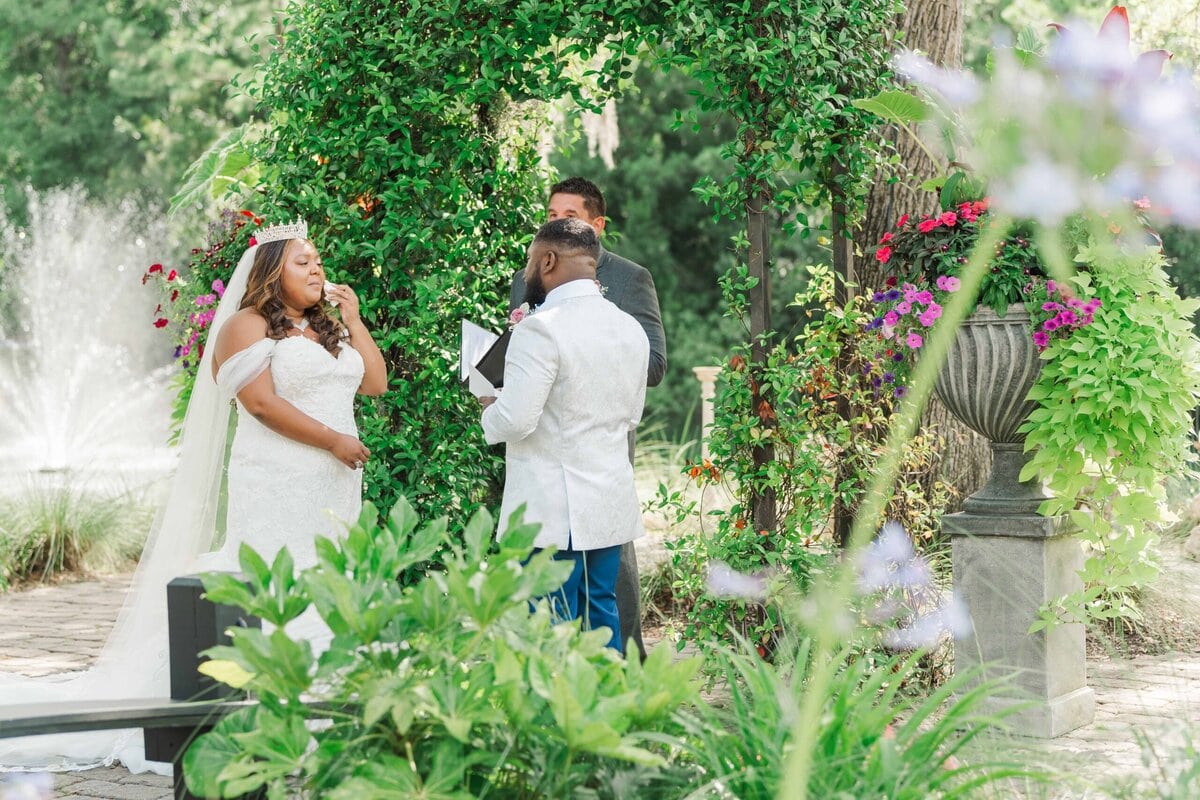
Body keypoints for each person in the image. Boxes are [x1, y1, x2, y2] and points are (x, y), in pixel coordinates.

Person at [0, 219, 386, 775]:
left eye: (318, 261)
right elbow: (260, 404)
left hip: (333, 484)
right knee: (275, 576)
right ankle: (259, 714)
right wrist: (332, 440)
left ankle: (329, 706)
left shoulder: (327, 330)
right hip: (278, 479)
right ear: (270, 271)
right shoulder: (246, 326)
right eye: (302, 261)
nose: (316, 269)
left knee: (327, 573)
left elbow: (374, 383)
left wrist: (354, 320)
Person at [508, 176, 666, 659]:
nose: (556, 223)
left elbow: (654, 365)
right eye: (551, 215)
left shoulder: (630, 279)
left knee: (608, 565)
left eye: (569, 216)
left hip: (599, 441)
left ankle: (626, 660)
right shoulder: (528, 275)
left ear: (597, 225)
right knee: (553, 566)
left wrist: (589, 345)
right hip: (538, 439)